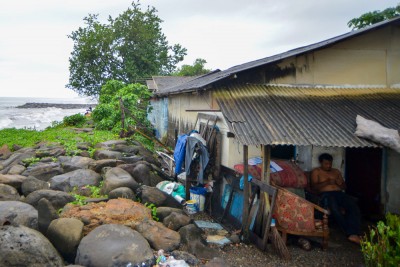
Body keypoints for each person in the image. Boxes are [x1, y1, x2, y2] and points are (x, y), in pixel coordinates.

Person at [311, 153, 362, 244]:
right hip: (326, 195)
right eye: (326, 164)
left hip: (339, 193)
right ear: (320, 162)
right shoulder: (316, 171)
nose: (329, 166)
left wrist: (340, 184)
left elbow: (344, 187)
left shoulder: (336, 171)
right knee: (335, 209)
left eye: (330, 163)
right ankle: (350, 234)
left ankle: (356, 233)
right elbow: (314, 188)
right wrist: (327, 182)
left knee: (353, 206)